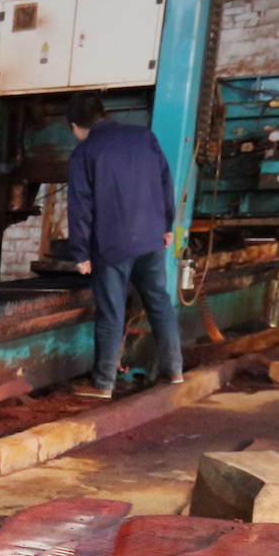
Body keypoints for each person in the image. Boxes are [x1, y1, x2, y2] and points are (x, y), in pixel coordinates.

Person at [65, 92, 184, 400]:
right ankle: (174, 371)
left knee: (111, 313)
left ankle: (103, 384)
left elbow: (80, 207)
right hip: (151, 240)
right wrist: (167, 226)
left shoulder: (83, 153)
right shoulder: (144, 136)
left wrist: (80, 253)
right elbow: (165, 182)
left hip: (112, 245)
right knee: (160, 304)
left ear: (76, 126)